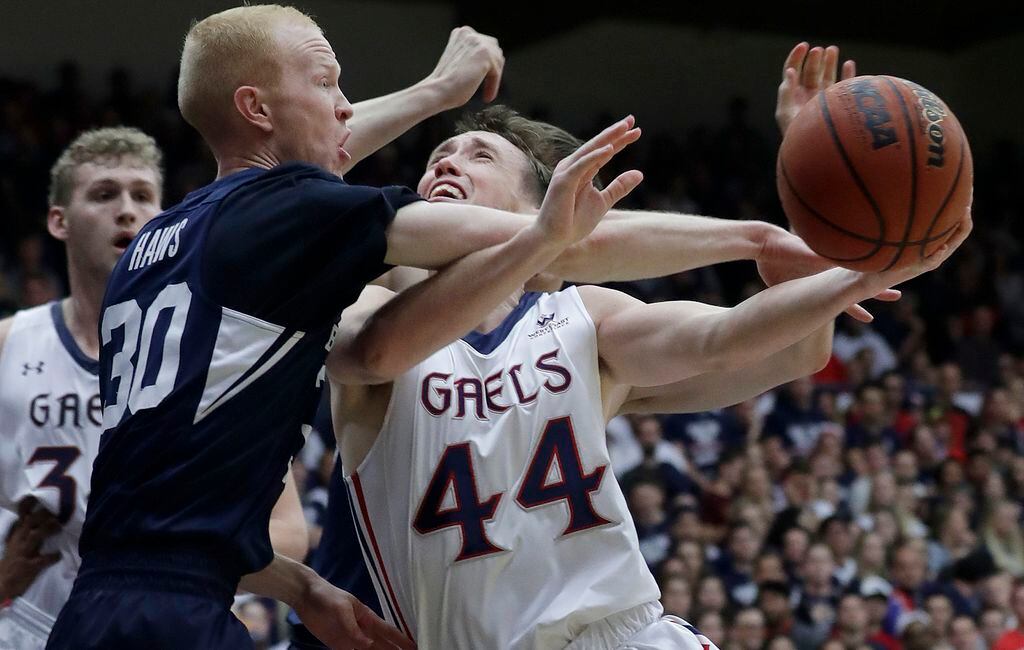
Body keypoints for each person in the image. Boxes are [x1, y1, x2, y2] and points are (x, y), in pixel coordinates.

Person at [44, 5, 664, 649]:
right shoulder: (288, 220)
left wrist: (302, 587)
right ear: (255, 107)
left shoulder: (163, 239)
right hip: (177, 617)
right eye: (326, 82)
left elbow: (170, 517)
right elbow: (564, 244)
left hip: (97, 604)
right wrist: (752, 237)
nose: (345, 106)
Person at [324, 104, 967, 649]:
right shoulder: (367, 310)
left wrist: (859, 265)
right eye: (439, 153)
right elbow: (371, 355)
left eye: (479, 155)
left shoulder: (580, 315)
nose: (445, 162)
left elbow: (723, 339)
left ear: (540, 205)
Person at [0, 127, 309, 650]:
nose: (127, 210)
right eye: (104, 194)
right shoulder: (9, 343)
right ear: (59, 221)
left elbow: (288, 527)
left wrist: (183, 563)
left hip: (161, 621)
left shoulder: (214, 346)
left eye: (142, 196)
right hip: (28, 621)